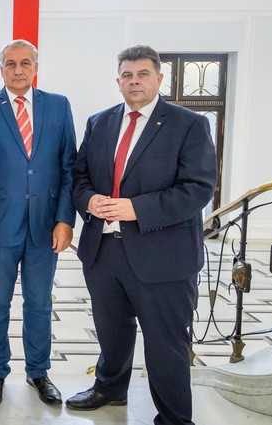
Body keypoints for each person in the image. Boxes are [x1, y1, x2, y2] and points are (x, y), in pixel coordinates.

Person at [67, 45, 217, 425]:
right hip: (103, 252)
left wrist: (136, 209)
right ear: (118, 81)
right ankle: (109, 388)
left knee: (165, 343)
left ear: (159, 78)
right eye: (127, 75)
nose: (135, 81)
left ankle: (174, 417)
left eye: (143, 74)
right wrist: (90, 200)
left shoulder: (189, 124)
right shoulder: (100, 122)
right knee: (112, 332)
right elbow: (79, 177)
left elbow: (198, 188)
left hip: (162, 255)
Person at [0, 39, 76, 407]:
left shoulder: (58, 106)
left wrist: (65, 219)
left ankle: (38, 371)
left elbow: (69, 169)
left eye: (25, 63)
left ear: (36, 67)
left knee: (39, 304)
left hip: (45, 226)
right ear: (1, 69)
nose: (18, 69)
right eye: (10, 64)